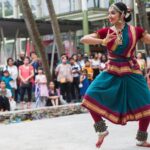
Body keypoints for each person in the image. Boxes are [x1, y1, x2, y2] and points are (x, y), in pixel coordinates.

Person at [80, 2, 150, 148]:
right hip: (111, 71)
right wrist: (102, 41)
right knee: (89, 97)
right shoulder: (106, 31)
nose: (109, 16)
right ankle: (101, 130)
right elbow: (84, 39)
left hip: (132, 72)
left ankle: (141, 139)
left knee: (147, 107)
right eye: (109, 13)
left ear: (122, 15)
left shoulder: (135, 31)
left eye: (113, 13)